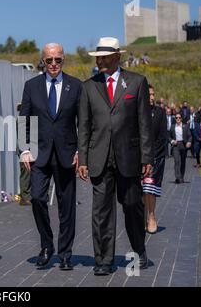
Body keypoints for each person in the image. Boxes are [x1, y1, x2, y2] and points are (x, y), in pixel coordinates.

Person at [78, 37, 153, 276]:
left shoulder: (137, 82)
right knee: (101, 211)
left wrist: (147, 157)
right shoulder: (88, 87)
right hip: (99, 158)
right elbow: (85, 127)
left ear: (117, 57)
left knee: (132, 205)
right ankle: (103, 260)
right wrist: (83, 159)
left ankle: (139, 249)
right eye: (97, 57)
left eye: (104, 57)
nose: (99, 61)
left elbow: (144, 123)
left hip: (129, 157)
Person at [20, 43, 81, 271]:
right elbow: (23, 120)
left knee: (67, 207)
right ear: (42, 61)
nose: (54, 64)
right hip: (39, 154)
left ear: (63, 59)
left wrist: (80, 151)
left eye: (58, 60)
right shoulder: (31, 86)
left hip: (67, 155)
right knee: (36, 198)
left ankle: (65, 253)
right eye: (49, 60)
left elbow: (82, 122)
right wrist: (24, 149)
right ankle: (47, 245)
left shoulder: (75, 86)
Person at [142, 85, 167, 234]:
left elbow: (162, 137)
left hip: (156, 158)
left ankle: (151, 216)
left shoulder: (160, 113)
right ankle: (143, 217)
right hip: (138, 158)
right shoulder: (136, 112)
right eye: (148, 94)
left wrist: (150, 156)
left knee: (150, 189)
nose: (152, 97)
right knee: (141, 190)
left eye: (153, 94)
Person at [16, 103, 32, 206]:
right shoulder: (22, 119)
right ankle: (25, 197)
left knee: (27, 173)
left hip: (29, 148)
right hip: (24, 149)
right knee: (25, 173)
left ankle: (27, 195)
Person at [169, 113, 192, 183]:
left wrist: (189, 142)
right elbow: (168, 136)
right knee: (177, 161)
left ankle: (182, 176)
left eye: (179, 117)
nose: (178, 119)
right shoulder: (172, 127)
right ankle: (177, 177)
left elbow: (190, 136)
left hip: (183, 145)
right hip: (175, 145)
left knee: (183, 162)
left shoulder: (185, 126)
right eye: (176, 118)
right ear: (175, 119)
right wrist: (172, 141)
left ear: (181, 118)